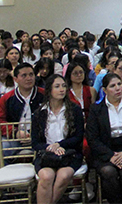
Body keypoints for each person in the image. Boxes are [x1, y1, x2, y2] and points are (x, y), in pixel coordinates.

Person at [31, 75, 85, 204]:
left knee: (63, 176)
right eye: (57, 86)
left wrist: (60, 145)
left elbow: (78, 137)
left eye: (64, 86)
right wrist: (50, 148)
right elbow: (35, 143)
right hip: (46, 154)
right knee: (46, 176)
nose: (62, 89)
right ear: (49, 90)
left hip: (70, 153)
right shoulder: (39, 113)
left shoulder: (75, 109)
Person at [86, 74, 122, 203]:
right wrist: (111, 155)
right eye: (112, 86)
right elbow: (92, 138)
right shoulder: (96, 108)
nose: (117, 88)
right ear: (104, 90)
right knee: (108, 172)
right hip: (105, 151)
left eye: (119, 84)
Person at [0, 63, 45, 171]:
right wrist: (15, 132)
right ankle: (1, 186)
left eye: (31, 75)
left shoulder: (45, 95)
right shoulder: (7, 98)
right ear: (15, 79)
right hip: (14, 137)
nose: (29, 78)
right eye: (24, 75)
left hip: (41, 137)